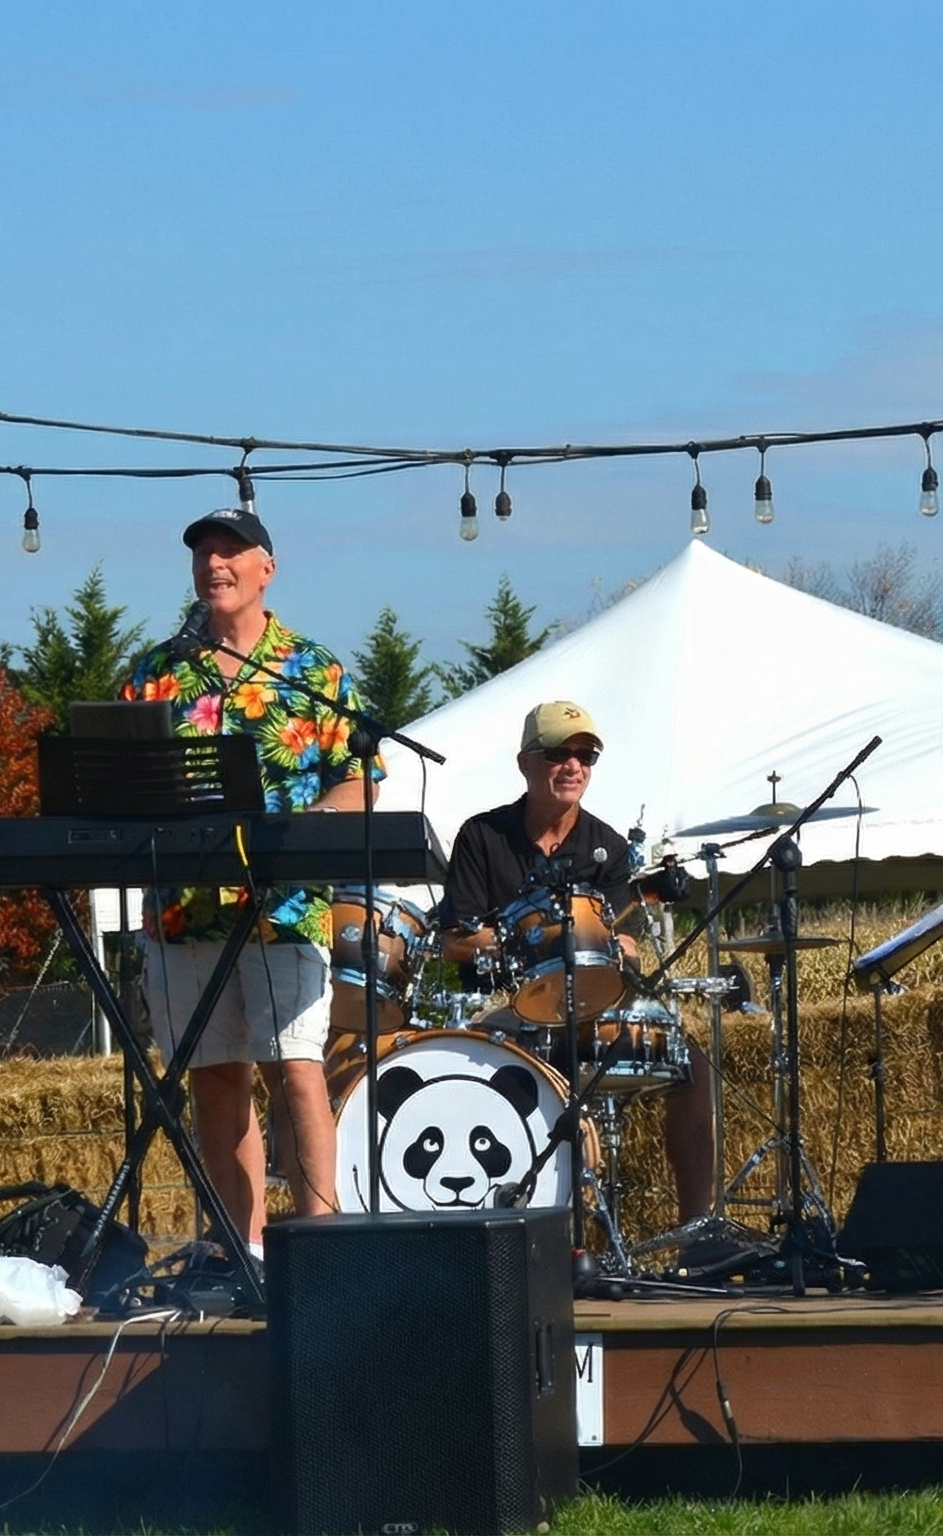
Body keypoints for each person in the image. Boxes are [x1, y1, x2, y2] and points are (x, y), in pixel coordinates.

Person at [119, 506, 374, 1266]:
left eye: (231, 552)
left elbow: (358, 783)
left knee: (295, 1070)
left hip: (284, 909)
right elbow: (120, 781)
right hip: (185, 909)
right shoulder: (156, 672)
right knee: (215, 1077)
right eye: (202, 553)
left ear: (267, 568)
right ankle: (245, 1250)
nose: (214, 565)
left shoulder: (314, 670)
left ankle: (322, 1248)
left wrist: (296, 836)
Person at [435, 701, 717, 1225]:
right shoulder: (482, 836)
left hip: (591, 1007)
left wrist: (617, 947)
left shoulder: (608, 847)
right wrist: (525, 943)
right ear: (525, 763)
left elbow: (626, 944)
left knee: (693, 1065)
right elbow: (454, 941)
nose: (574, 766)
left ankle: (696, 1231)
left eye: (585, 755)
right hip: (507, 1013)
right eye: (558, 753)